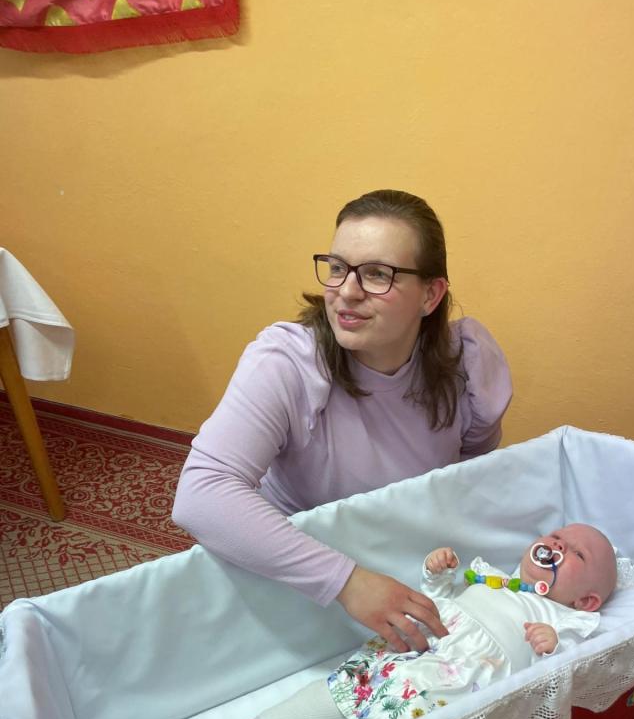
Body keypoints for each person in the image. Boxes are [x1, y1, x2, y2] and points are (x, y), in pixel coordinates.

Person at [172, 189, 513, 654]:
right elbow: (202, 494)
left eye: (377, 274)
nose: (347, 292)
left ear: (431, 295)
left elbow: (468, 476)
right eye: (337, 268)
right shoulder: (288, 362)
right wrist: (348, 581)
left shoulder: (465, 365)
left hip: (407, 559)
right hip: (300, 566)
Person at [162, 523, 617, 719]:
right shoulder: (490, 578)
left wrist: (549, 647)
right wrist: (437, 576)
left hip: (447, 685)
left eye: (576, 553)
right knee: (320, 700)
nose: (558, 545)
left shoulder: (566, 621)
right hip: (405, 649)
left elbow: (551, 686)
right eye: (557, 536)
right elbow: (437, 603)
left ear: (587, 600)